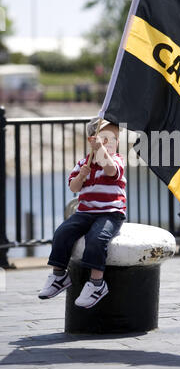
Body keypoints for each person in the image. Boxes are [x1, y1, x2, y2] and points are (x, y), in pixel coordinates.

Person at [38, 118, 126, 309]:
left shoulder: (116, 160)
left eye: (114, 139)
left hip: (110, 213)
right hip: (85, 211)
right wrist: (81, 175)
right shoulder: (82, 164)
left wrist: (101, 150)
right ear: (92, 140)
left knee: (97, 239)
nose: (110, 143)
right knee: (62, 232)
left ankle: (97, 284)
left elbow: (111, 171)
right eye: (105, 138)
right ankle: (59, 276)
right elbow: (73, 187)